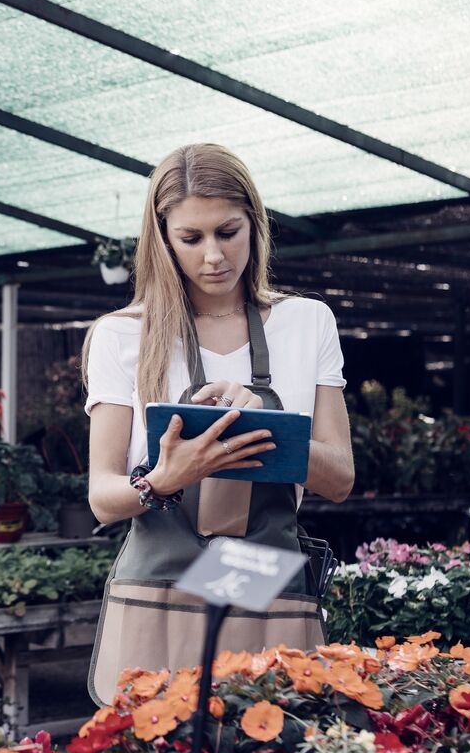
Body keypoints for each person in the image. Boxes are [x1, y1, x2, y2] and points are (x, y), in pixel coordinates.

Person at [81, 143, 354, 705]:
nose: (213, 256)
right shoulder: (121, 334)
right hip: (162, 584)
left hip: (264, 581)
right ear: (162, 239)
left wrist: (268, 422)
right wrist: (164, 478)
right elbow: (103, 498)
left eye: (228, 232)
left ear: (255, 223)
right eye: (191, 238)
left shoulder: (307, 322)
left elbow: (340, 477)